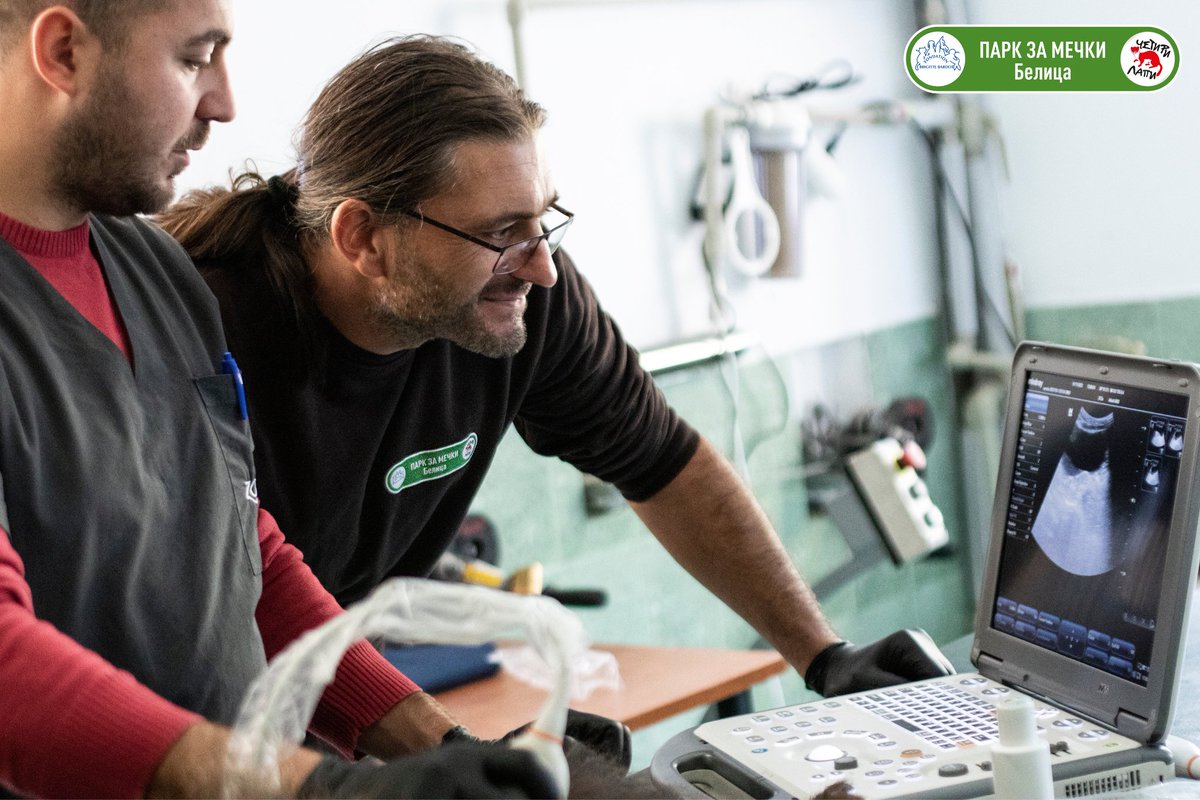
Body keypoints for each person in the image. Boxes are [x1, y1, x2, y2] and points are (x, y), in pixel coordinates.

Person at [160, 34, 954, 700]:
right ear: (362, 238)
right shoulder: (199, 334)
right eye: (503, 231)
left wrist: (823, 655)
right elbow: (209, 618)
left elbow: (662, 462)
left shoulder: (524, 297)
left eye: (544, 221)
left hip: (329, 690)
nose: (541, 266)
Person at [0, 3, 575, 797]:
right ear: (64, 52)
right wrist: (317, 787)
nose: (224, 103)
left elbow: (242, 551)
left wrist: (440, 746)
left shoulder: (156, 274)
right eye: (195, 59)